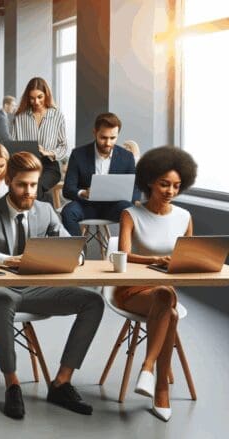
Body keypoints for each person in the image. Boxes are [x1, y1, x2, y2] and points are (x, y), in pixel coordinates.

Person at [0, 151, 104, 419]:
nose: (29, 191)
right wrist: (6, 260)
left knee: (93, 301)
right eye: (22, 185)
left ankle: (61, 383)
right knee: (4, 302)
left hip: (37, 290)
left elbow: (71, 247)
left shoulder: (46, 210)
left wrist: (76, 255)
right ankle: (12, 385)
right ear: (8, 180)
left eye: (33, 184)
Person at [114, 146, 197, 422]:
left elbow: (187, 258)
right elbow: (123, 255)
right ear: (149, 181)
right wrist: (155, 259)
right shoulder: (131, 214)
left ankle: (149, 370)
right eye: (164, 184)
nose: (170, 191)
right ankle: (160, 386)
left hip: (165, 291)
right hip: (132, 290)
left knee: (166, 301)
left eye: (176, 185)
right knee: (169, 308)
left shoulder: (184, 217)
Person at [61, 113, 139, 236]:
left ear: (118, 135)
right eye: (103, 137)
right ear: (95, 132)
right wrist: (83, 193)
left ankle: (126, 253)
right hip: (85, 206)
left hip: (115, 207)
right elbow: (67, 189)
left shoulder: (127, 157)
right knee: (68, 212)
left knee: (130, 211)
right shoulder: (78, 154)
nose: (108, 143)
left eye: (113, 138)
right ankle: (77, 253)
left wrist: (132, 200)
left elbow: (135, 189)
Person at [12, 77, 69, 203]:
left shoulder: (57, 115)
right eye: (32, 98)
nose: (36, 101)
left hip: (49, 166)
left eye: (40, 97)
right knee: (27, 191)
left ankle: (43, 219)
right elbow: (14, 145)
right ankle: (50, 217)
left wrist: (49, 152)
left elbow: (64, 146)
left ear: (46, 95)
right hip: (25, 166)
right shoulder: (19, 117)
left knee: (35, 188)